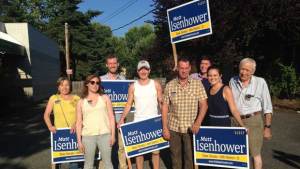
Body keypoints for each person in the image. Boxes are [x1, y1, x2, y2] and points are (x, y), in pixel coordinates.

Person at [162, 57, 208, 169]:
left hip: (190, 128)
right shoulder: (170, 85)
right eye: (181, 68)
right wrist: (165, 127)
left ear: (190, 68)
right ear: (177, 68)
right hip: (173, 128)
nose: (184, 71)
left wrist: (198, 123)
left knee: (190, 158)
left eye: (186, 68)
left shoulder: (197, 84)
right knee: (175, 158)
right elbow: (164, 107)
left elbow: (204, 105)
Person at [118, 60, 163, 169]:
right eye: (141, 69)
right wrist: (122, 118)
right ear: (138, 71)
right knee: (139, 153)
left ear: (149, 70)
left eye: (146, 69)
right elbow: (128, 104)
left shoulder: (155, 84)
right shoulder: (133, 86)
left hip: (154, 122)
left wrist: (165, 118)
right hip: (138, 122)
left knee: (156, 152)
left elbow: (161, 102)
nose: (143, 71)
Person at [229, 58, 273, 169]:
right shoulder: (232, 81)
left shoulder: (260, 82)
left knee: (255, 153)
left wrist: (267, 127)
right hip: (236, 121)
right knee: (238, 154)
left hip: (253, 121)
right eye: (242, 69)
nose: (244, 72)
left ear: (253, 71)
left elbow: (267, 107)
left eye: (247, 70)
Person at [76, 75, 115, 169]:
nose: (95, 85)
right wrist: (79, 141)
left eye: (97, 83)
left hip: (105, 135)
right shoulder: (81, 102)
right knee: (88, 165)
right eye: (92, 82)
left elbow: (111, 117)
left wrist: (113, 135)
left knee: (108, 163)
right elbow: (78, 122)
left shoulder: (105, 98)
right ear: (87, 84)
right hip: (88, 137)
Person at [100, 54, 130, 169]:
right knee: (105, 149)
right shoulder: (101, 80)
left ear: (118, 64)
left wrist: (123, 117)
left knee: (121, 148)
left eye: (114, 63)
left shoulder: (124, 80)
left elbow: (128, 100)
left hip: (120, 120)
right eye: (110, 63)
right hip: (105, 122)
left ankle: (123, 167)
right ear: (107, 65)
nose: (112, 65)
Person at [43, 77, 80, 169]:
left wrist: (75, 124)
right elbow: (46, 115)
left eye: (67, 85)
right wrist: (50, 126)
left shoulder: (77, 98)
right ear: (58, 87)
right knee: (57, 161)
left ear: (70, 86)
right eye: (61, 85)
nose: (64, 87)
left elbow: (81, 115)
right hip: (58, 134)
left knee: (74, 162)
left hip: (74, 133)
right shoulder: (53, 98)